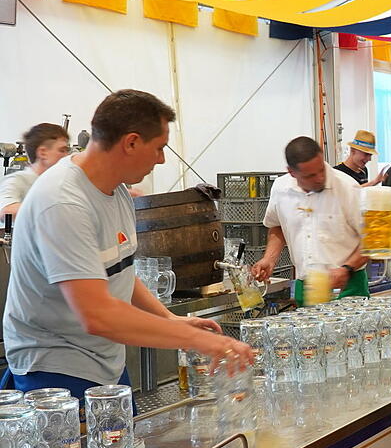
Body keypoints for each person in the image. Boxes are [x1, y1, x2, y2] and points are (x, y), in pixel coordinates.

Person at [0, 90, 253, 406]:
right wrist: (199, 340)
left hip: (103, 359)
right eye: (159, 148)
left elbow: (120, 271)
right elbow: (97, 315)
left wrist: (169, 319)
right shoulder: (63, 202)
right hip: (55, 367)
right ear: (131, 142)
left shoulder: (116, 191)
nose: (161, 159)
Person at [252, 136, 370, 298]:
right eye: (310, 176)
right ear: (292, 172)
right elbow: (277, 225)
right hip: (306, 287)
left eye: (321, 170)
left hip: (348, 286)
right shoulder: (281, 189)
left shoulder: (347, 188)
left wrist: (347, 268)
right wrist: (269, 259)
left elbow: (371, 239)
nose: (319, 178)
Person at [0, 123, 71, 218]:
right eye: (62, 150)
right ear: (43, 153)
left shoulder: (60, 182)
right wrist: (55, 209)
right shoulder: (17, 180)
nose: (67, 156)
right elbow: (6, 210)